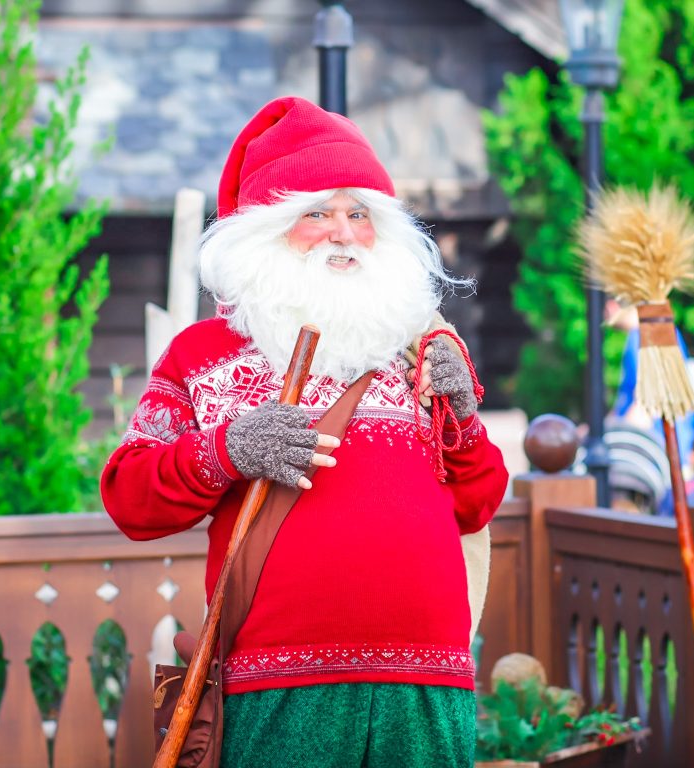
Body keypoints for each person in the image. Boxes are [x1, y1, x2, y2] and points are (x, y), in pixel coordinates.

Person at [101, 97, 508, 768]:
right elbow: (129, 498)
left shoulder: (424, 348)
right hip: (278, 687)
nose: (343, 232)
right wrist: (229, 449)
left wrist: (462, 418)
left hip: (428, 685)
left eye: (360, 214)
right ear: (264, 231)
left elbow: (477, 503)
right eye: (316, 213)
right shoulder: (202, 354)